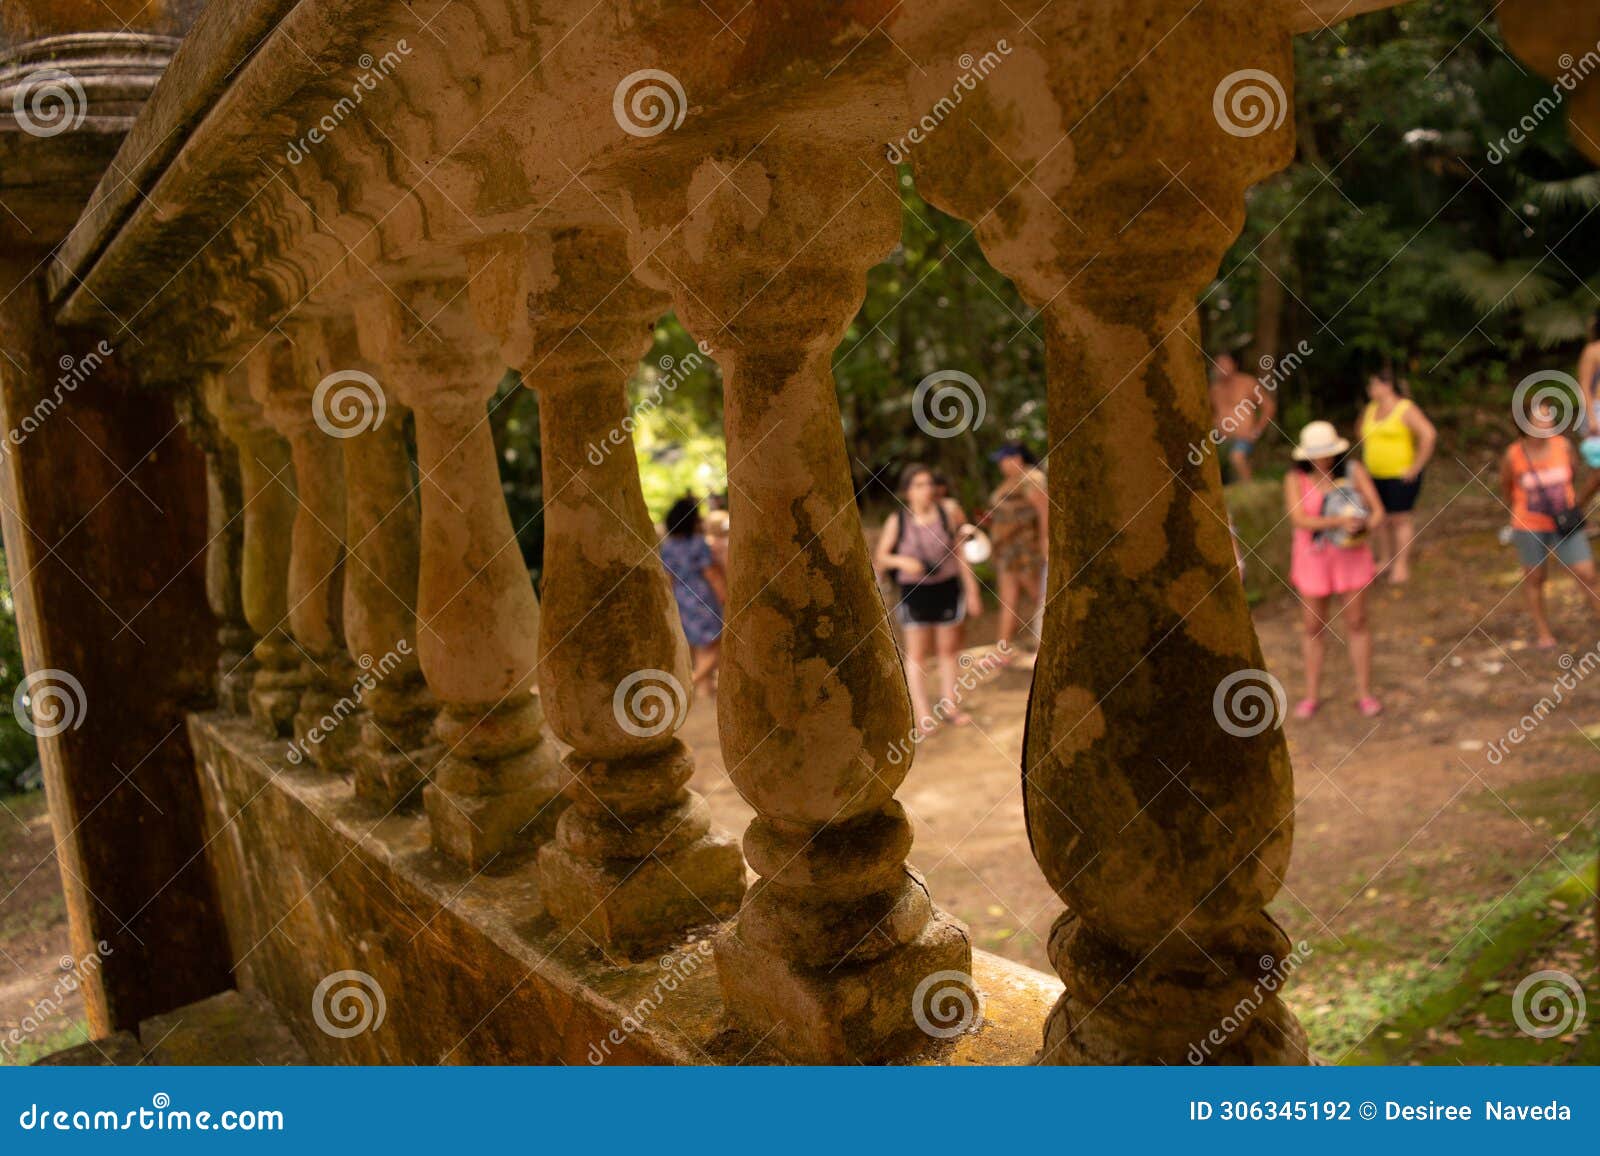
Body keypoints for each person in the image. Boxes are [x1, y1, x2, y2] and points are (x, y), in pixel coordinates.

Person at [1285, 421, 1385, 719]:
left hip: (1350, 556)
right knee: (1313, 627)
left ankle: (1364, 694)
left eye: (1327, 453)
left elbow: (1378, 511)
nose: (1322, 459)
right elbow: (1299, 519)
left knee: (1357, 622)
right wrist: (1337, 523)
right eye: (1316, 454)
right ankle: (1311, 694)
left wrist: (1362, 524)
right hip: (1313, 559)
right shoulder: (1295, 479)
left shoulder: (1354, 473)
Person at [875, 464, 983, 733]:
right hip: (914, 593)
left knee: (948, 650)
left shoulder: (948, 512)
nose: (926, 490)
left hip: (946, 587)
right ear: (907, 491)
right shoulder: (897, 521)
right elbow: (881, 557)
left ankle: (950, 706)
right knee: (917, 655)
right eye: (918, 485)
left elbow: (961, 553)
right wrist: (903, 561)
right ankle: (923, 713)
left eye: (929, 484)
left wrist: (972, 591)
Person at [1500, 399, 1600, 649]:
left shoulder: (1563, 447)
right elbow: (1508, 489)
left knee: (1587, 573)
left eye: (1549, 416)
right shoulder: (1513, 455)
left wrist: (1573, 504)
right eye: (1541, 417)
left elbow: (1573, 475)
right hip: (1528, 525)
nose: (1549, 422)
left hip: (1565, 522)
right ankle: (1544, 632)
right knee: (1535, 578)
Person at [1358, 368, 1436, 585]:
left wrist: (1416, 466)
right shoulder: (1370, 409)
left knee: (1400, 519)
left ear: (1387, 386)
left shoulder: (1405, 408)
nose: (1370, 389)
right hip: (1374, 474)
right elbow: (1361, 435)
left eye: (1373, 384)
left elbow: (1428, 434)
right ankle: (1385, 559)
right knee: (1380, 518)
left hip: (1400, 475)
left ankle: (1401, 565)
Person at [660, 495, 726, 696]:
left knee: (700, 647)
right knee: (720, 642)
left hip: (681, 599)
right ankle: (691, 683)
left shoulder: (668, 546)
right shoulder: (698, 543)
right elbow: (712, 574)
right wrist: (725, 597)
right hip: (702, 598)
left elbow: (668, 579)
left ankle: (704, 692)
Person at [986, 442, 1048, 659]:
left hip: (1026, 551)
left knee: (1040, 597)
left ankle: (1047, 643)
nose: (1001, 465)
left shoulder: (1033, 479)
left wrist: (1045, 542)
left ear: (1016, 458)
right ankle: (1001, 651)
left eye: (1003, 460)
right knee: (1007, 600)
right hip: (1007, 552)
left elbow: (1044, 513)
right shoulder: (1010, 482)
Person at [1209, 351, 1276, 482]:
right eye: (1218, 364)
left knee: (1237, 457)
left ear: (1234, 365)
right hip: (1221, 439)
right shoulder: (1213, 390)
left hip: (1244, 437)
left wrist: (1257, 430)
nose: (1222, 367)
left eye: (1225, 363)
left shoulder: (1247, 383)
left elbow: (1269, 407)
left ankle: (1249, 489)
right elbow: (1210, 413)